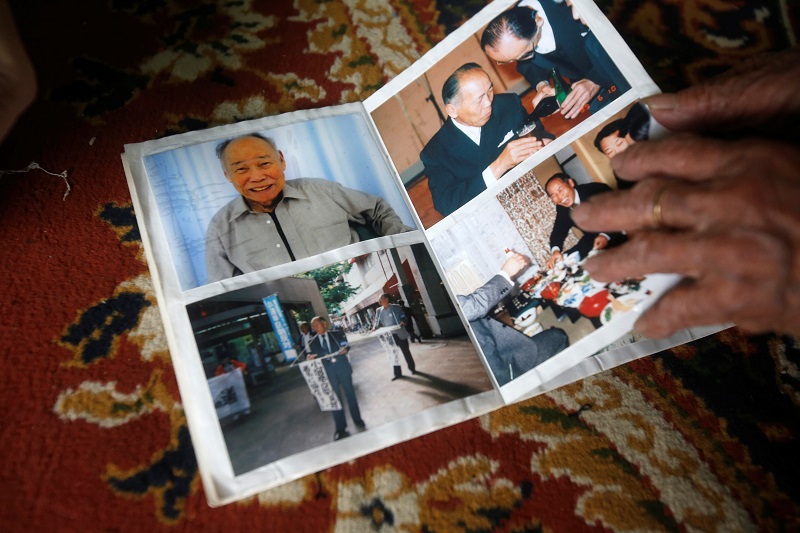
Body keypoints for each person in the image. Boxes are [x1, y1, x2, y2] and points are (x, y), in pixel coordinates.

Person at [570, 47, 800, 338]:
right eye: (611, 153)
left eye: (618, 144)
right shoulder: (625, 173)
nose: (618, 154)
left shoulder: (645, 126)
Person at [205, 133, 412, 283]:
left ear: (282, 160)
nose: (257, 176)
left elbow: (376, 208)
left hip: (355, 280)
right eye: (241, 169)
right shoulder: (220, 227)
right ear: (227, 176)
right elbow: (222, 287)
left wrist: (406, 241)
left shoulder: (321, 190)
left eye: (264, 163)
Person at [420, 63, 554, 217]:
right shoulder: (435, 152)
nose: (488, 104)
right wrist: (498, 166)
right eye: (479, 100)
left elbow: (540, 134)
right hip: (490, 214)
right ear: (452, 110)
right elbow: (447, 204)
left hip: (537, 189)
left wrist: (544, 143)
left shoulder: (508, 104)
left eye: (490, 91)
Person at [480, 0, 629, 120]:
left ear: (539, 21)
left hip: (623, 70)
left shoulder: (569, 6)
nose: (521, 60)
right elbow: (525, 65)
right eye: (509, 60)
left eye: (527, 53)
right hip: (585, 91)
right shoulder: (516, 31)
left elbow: (619, 41)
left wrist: (594, 80)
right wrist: (541, 85)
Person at [458, 252, 569, 385]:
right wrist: (505, 273)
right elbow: (472, 307)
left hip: (498, 351)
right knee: (559, 336)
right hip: (505, 372)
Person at [544, 172, 624, 269]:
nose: (560, 197)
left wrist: (605, 235)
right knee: (566, 261)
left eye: (560, 190)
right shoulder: (562, 209)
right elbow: (559, 230)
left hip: (625, 234)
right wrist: (555, 251)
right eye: (553, 195)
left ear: (571, 183)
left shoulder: (596, 190)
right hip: (594, 241)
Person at [307, 316, 365, 441]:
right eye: (313, 326)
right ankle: (340, 428)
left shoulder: (336, 334)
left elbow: (345, 344)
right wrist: (309, 357)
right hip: (328, 373)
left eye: (316, 324)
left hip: (343, 369)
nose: (314, 328)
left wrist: (345, 349)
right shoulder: (313, 341)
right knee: (335, 400)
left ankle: (357, 419)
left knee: (350, 395)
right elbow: (310, 354)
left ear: (324, 324)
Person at [372, 293, 417, 380]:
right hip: (389, 336)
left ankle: (412, 369)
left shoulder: (396, 307)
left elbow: (402, 316)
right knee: (393, 354)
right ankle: (397, 374)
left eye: (383, 298)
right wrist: (374, 327)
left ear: (387, 299)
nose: (381, 300)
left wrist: (403, 321)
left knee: (406, 352)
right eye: (380, 299)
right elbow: (377, 321)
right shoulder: (378, 310)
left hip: (399, 333)